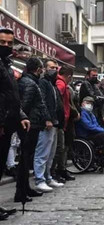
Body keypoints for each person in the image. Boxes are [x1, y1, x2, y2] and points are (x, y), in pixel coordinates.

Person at [0, 27, 30, 219]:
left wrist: (21, 115)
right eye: (2, 42)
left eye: (9, 43)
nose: (6, 46)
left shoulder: (7, 64)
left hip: (9, 121)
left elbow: (11, 95)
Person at [16, 57, 50, 203]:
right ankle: (21, 192)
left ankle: (25, 188)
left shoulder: (28, 82)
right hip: (30, 125)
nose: (42, 71)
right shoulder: (30, 84)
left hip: (32, 124)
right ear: (37, 69)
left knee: (26, 158)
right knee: (24, 159)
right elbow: (24, 106)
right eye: (41, 68)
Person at [34, 59, 65, 192]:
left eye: (56, 67)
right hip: (46, 123)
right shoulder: (43, 83)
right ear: (45, 69)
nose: (54, 69)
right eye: (51, 67)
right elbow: (42, 102)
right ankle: (39, 179)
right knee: (42, 152)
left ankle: (47, 177)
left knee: (50, 153)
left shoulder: (52, 84)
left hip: (55, 122)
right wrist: (47, 119)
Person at [53, 66, 76, 182]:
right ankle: (56, 172)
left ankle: (60, 170)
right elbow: (58, 102)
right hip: (61, 120)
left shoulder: (61, 84)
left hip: (63, 119)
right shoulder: (61, 84)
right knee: (59, 148)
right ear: (69, 77)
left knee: (61, 147)